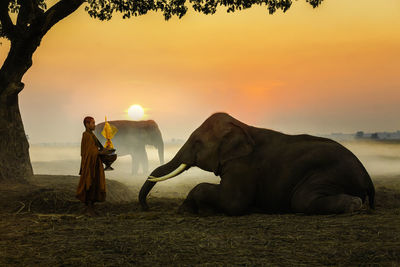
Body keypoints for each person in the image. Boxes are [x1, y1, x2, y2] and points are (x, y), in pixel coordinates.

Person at [76, 116, 111, 216]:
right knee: (90, 184)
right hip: (89, 164)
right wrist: (100, 152)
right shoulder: (86, 135)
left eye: (94, 123)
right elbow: (88, 152)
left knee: (96, 184)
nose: (94, 125)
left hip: (95, 163)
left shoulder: (92, 135)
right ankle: (89, 209)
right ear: (87, 124)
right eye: (92, 123)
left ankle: (92, 209)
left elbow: (96, 148)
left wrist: (104, 149)